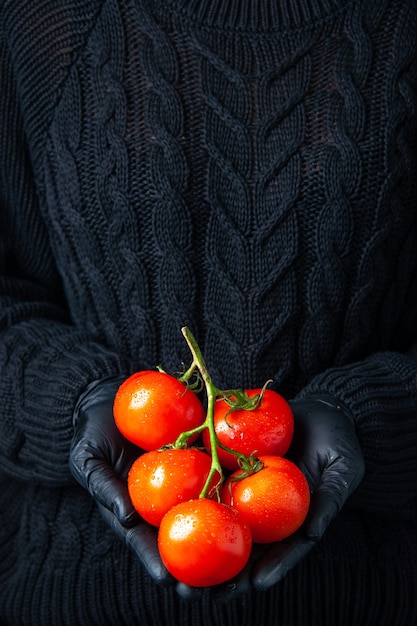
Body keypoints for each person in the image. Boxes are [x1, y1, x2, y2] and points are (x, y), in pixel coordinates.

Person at [1, 0, 417, 624]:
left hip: (380, 595)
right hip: (73, 595)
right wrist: (70, 399)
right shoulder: (42, 20)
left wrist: (381, 417)